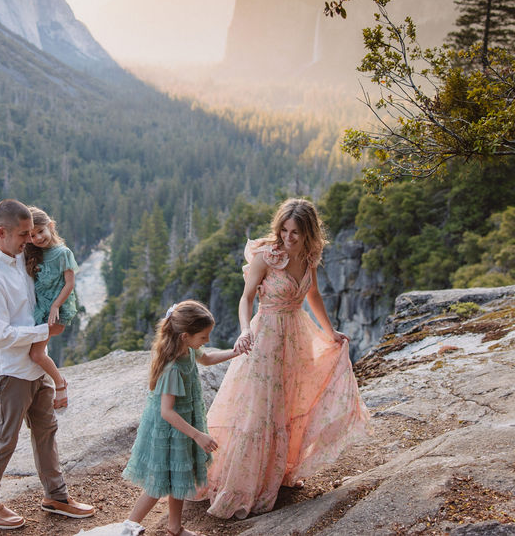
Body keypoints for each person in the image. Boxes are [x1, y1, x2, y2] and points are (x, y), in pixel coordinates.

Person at [203, 198, 371, 519]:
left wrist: (331, 332)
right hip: (265, 336)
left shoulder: (309, 257)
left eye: (296, 232)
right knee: (260, 409)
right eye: (284, 230)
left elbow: (313, 295)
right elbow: (246, 297)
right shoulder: (267, 257)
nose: (288, 237)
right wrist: (243, 330)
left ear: (309, 233)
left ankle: (276, 473)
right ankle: (244, 481)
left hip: (297, 337)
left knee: (287, 406)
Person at [0, 199, 95, 530]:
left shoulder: (17, 250)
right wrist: (45, 331)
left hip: (34, 364)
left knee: (46, 429)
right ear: (1, 233)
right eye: (24, 235)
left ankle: (56, 496)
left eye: (30, 233)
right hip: (8, 367)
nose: (30, 240)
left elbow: (46, 247)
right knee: (5, 436)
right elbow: (0, 336)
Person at [123, 301, 241, 536]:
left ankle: (175, 527)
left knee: (178, 477)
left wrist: (236, 352)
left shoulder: (187, 349)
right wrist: (198, 435)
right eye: (204, 337)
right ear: (186, 335)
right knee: (157, 485)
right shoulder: (173, 368)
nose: (206, 341)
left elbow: (206, 358)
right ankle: (126, 528)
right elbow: (167, 412)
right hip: (170, 430)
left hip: (184, 426)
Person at [0, 206, 83, 409]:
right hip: (41, 309)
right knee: (34, 353)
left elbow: (70, 284)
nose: (37, 238)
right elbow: (9, 237)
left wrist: (56, 305)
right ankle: (51, 383)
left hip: (55, 310)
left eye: (41, 231)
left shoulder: (63, 253)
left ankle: (60, 383)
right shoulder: (32, 251)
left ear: (51, 226)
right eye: (32, 234)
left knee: (36, 354)